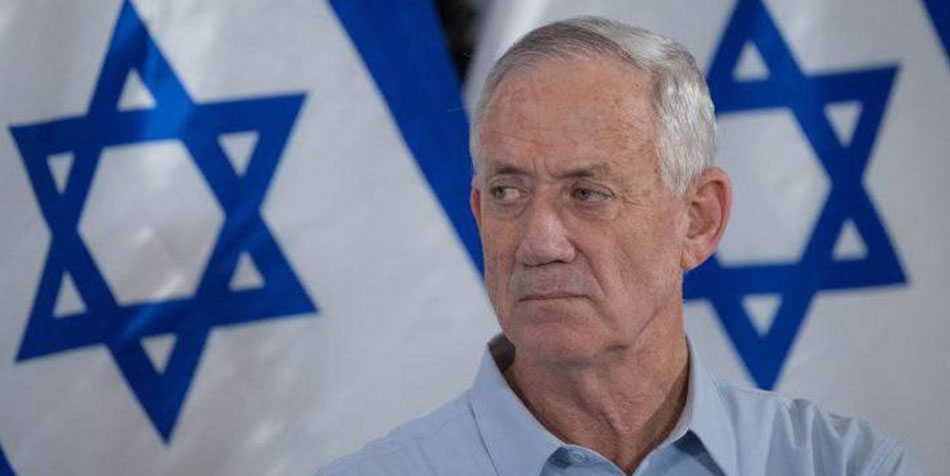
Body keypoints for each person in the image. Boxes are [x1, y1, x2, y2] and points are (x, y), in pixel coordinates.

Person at [318, 17, 923, 476]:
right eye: (507, 192)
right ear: (479, 212)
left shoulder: (845, 465)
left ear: (698, 220)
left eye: (587, 193)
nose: (539, 242)